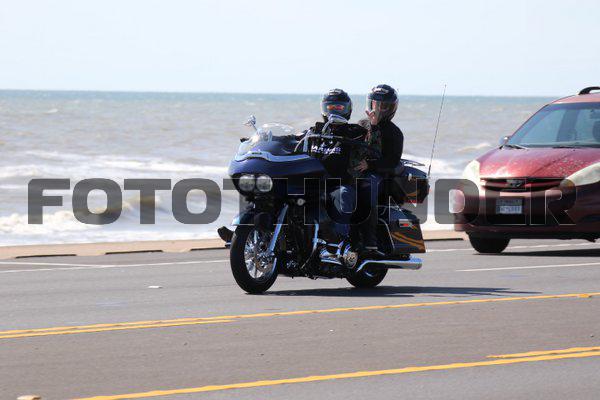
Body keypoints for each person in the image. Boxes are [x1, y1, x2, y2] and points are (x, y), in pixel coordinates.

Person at [305, 89, 367, 242]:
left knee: (343, 194)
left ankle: (340, 242)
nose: (334, 112)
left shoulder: (354, 132)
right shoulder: (315, 131)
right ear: (323, 109)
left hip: (338, 184)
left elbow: (371, 139)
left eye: (339, 108)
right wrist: (269, 139)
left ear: (348, 110)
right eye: (330, 107)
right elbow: (295, 138)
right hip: (312, 184)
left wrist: (374, 124)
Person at [353, 84, 404, 252]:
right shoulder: (361, 124)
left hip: (379, 174)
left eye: (384, 106)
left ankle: (370, 240)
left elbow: (392, 161)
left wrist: (370, 165)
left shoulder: (394, 132)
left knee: (367, 188)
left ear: (391, 108)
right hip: (356, 170)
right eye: (376, 104)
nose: (379, 109)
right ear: (370, 104)